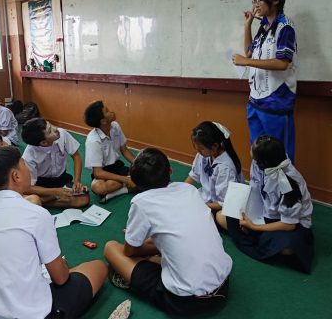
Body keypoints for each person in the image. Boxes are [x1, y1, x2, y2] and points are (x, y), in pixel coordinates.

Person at [0, 145, 107, 318]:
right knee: (97, 267)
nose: (28, 169)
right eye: (24, 165)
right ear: (16, 176)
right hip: (33, 314)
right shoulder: (36, 214)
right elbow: (61, 278)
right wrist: (62, 266)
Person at [104, 148, 232, 316]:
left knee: (111, 247)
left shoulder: (141, 202)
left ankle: (140, 273)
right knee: (159, 245)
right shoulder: (189, 190)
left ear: (136, 183)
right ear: (170, 170)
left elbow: (129, 251)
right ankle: (153, 259)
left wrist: (144, 248)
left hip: (186, 302)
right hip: (223, 287)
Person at [225, 136, 314, 273]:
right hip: (265, 212)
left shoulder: (289, 182)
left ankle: (257, 235)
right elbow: (255, 190)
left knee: (288, 246)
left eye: (252, 148)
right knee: (227, 215)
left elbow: (289, 224)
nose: (250, 148)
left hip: (291, 225)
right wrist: (246, 211)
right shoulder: (258, 164)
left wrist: (254, 226)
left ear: (263, 161)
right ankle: (258, 235)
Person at [232, 0, 297, 162]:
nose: (256, 4)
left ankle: (282, 183)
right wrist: (248, 25)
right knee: (257, 153)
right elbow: (249, 52)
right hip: (255, 100)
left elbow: (282, 63)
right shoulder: (263, 27)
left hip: (276, 102)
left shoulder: (285, 27)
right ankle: (260, 182)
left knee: (278, 156)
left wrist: (246, 62)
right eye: (254, 0)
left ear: (275, 0)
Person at [22, 118, 89, 208]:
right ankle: (49, 198)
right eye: (50, 131)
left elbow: (76, 156)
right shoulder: (29, 155)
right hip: (42, 184)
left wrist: (77, 181)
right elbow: (28, 188)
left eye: (50, 125)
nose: (55, 129)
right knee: (29, 194)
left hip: (61, 179)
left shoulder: (62, 134)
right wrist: (56, 192)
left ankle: (42, 201)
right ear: (44, 143)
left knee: (84, 199)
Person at [185, 121, 243, 218]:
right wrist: (180, 190)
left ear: (215, 146)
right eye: (196, 148)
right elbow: (194, 176)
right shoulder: (204, 154)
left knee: (192, 214)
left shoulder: (225, 168)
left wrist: (199, 205)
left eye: (201, 149)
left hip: (221, 205)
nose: (198, 152)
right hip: (207, 200)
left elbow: (223, 203)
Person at [84, 100, 136, 203]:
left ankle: (115, 193)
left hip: (117, 167)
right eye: (107, 111)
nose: (112, 112)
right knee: (98, 188)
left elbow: (124, 150)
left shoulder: (115, 126)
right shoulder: (93, 140)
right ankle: (129, 184)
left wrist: (138, 164)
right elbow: (98, 172)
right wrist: (125, 179)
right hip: (103, 173)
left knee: (145, 176)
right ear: (103, 121)